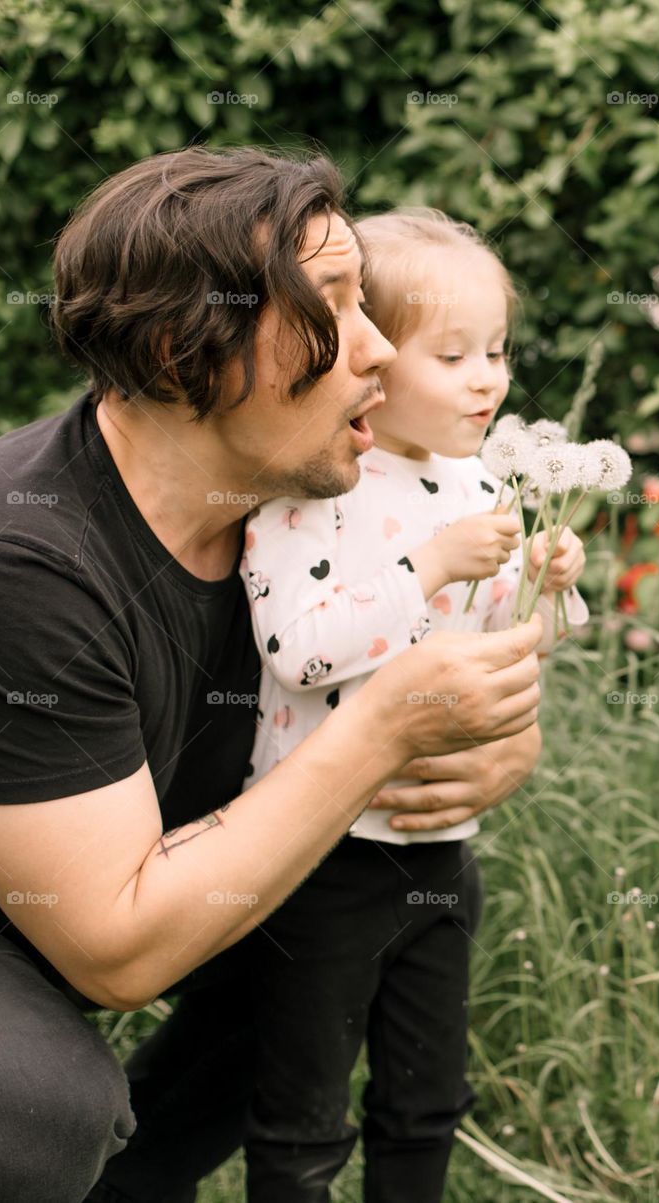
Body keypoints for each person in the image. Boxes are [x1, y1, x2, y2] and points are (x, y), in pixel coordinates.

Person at [0, 147, 546, 1203]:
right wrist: (381, 734)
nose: (382, 350)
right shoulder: (11, 558)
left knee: (321, 945)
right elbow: (115, 954)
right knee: (18, 1108)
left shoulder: (302, 509)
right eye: (336, 311)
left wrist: (501, 740)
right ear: (184, 355)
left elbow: (405, 649)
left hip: (106, 885)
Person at [235, 208, 589, 1202]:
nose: (489, 377)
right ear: (375, 360)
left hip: (441, 844)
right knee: (303, 1106)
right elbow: (297, 651)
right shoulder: (317, 490)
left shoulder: (477, 484)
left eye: (498, 351)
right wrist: (433, 562)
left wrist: (551, 582)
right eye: (454, 354)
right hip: (325, 852)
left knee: (427, 1092)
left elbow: (516, 648)